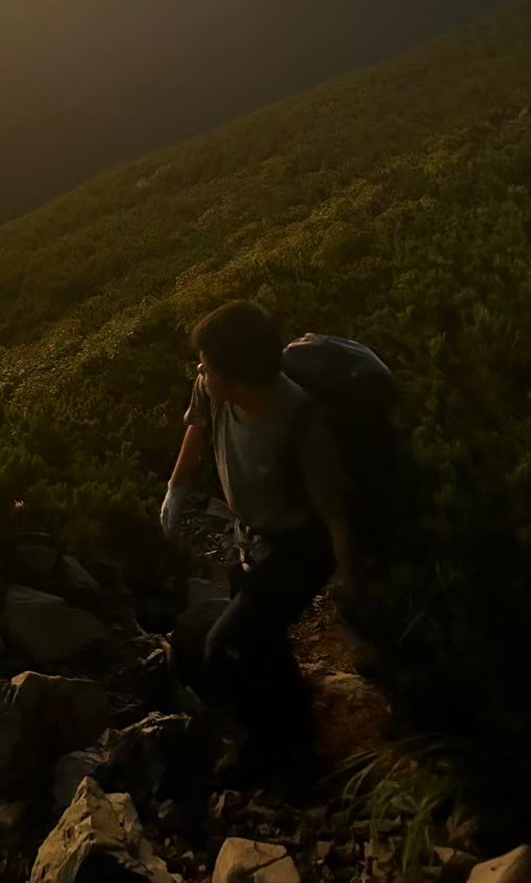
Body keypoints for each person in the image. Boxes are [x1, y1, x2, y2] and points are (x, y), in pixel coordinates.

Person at [160, 300, 356, 786]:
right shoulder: (215, 391)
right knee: (260, 639)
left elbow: (335, 514)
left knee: (225, 647)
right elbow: (197, 429)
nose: (200, 374)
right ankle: (299, 725)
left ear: (236, 373)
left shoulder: (301, 422)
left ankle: (272, 751)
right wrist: (175, 490)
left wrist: (353, 583)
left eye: (207, 367)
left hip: (297, 549)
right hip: (249, 536)